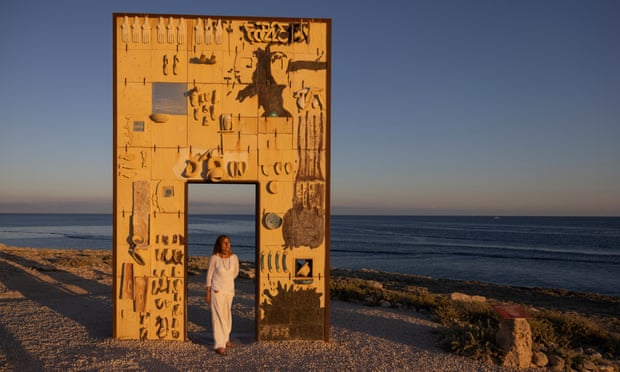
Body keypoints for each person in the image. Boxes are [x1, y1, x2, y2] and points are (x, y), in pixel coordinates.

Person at [205, 234, 239, 355]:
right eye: (225, 243)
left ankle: (226, 339)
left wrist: (227, 282)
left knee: (227, 315)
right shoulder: (215, 258)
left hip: (229, 290)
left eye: (228, 242)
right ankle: (219, 344)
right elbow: (209, 276)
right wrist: (208, 292)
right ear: (219, 245)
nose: (227, 245)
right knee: (218, 317)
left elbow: (235, 273)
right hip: (217, 290)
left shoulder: (234, 258)